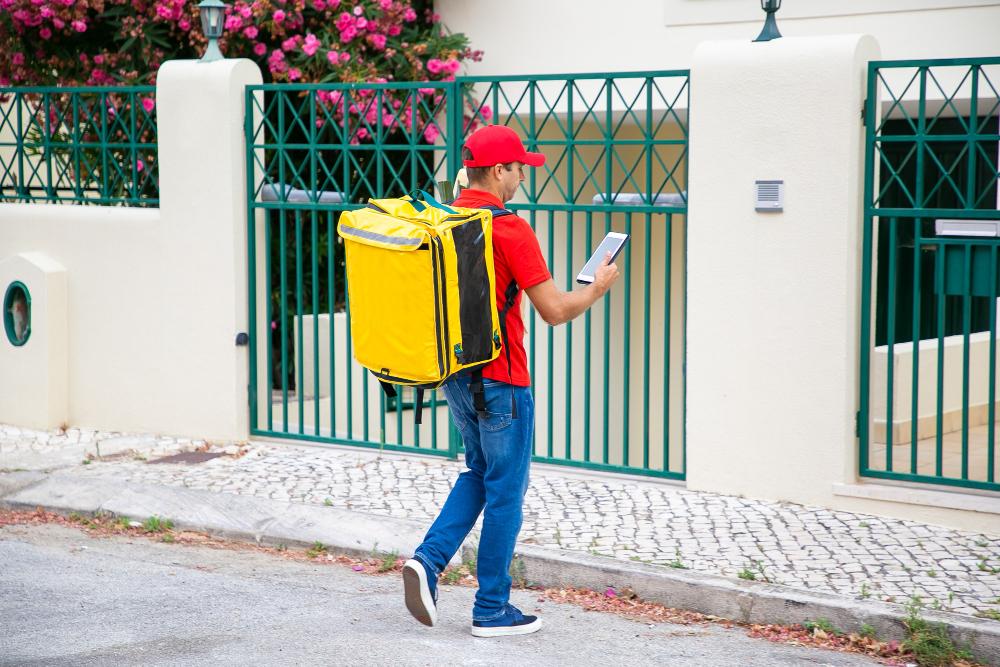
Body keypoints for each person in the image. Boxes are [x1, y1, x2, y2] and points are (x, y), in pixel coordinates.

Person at [402, 124, 621, 637]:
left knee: (479, 472)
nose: (522, 176)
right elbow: (555, 310)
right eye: (519, 167)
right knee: (505, 492)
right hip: (502, 380)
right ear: (498, 170)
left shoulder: (447, 218)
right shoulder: (510, 228)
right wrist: (599, 286)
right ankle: (491, 608)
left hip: (457, 374)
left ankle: (428, 561)